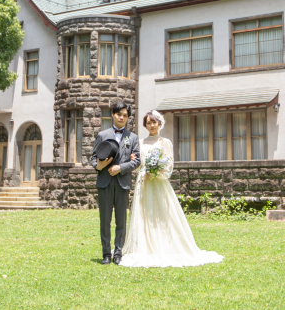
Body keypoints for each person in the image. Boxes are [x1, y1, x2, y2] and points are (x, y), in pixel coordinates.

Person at [119, 110, 224, 268]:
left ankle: (165, 244)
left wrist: (155, 172)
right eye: (148, 123)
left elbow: (168, 165)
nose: (152, 125)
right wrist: (135, 162)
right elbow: (138, 166)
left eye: (154, 122)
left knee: (161, 214)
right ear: (145, 125)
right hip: (143, 183)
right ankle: (144, 246)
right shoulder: (139, 143)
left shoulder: (164, 142)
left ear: (159, 123)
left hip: (158, 182)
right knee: (144, 213)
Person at [90, 101, 140, 265]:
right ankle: (106, 254)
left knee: (121, 220)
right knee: (105, 220)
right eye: (119, 114)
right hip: (104, 182)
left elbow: (137, 161)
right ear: (113, 114)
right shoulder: (102, 135)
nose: (122, 117)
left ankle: (118, 253)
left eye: (125, 115)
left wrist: (121, 167)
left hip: (122, 183)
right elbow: (92, 158)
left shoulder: (132, 138)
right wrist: (98, 166)